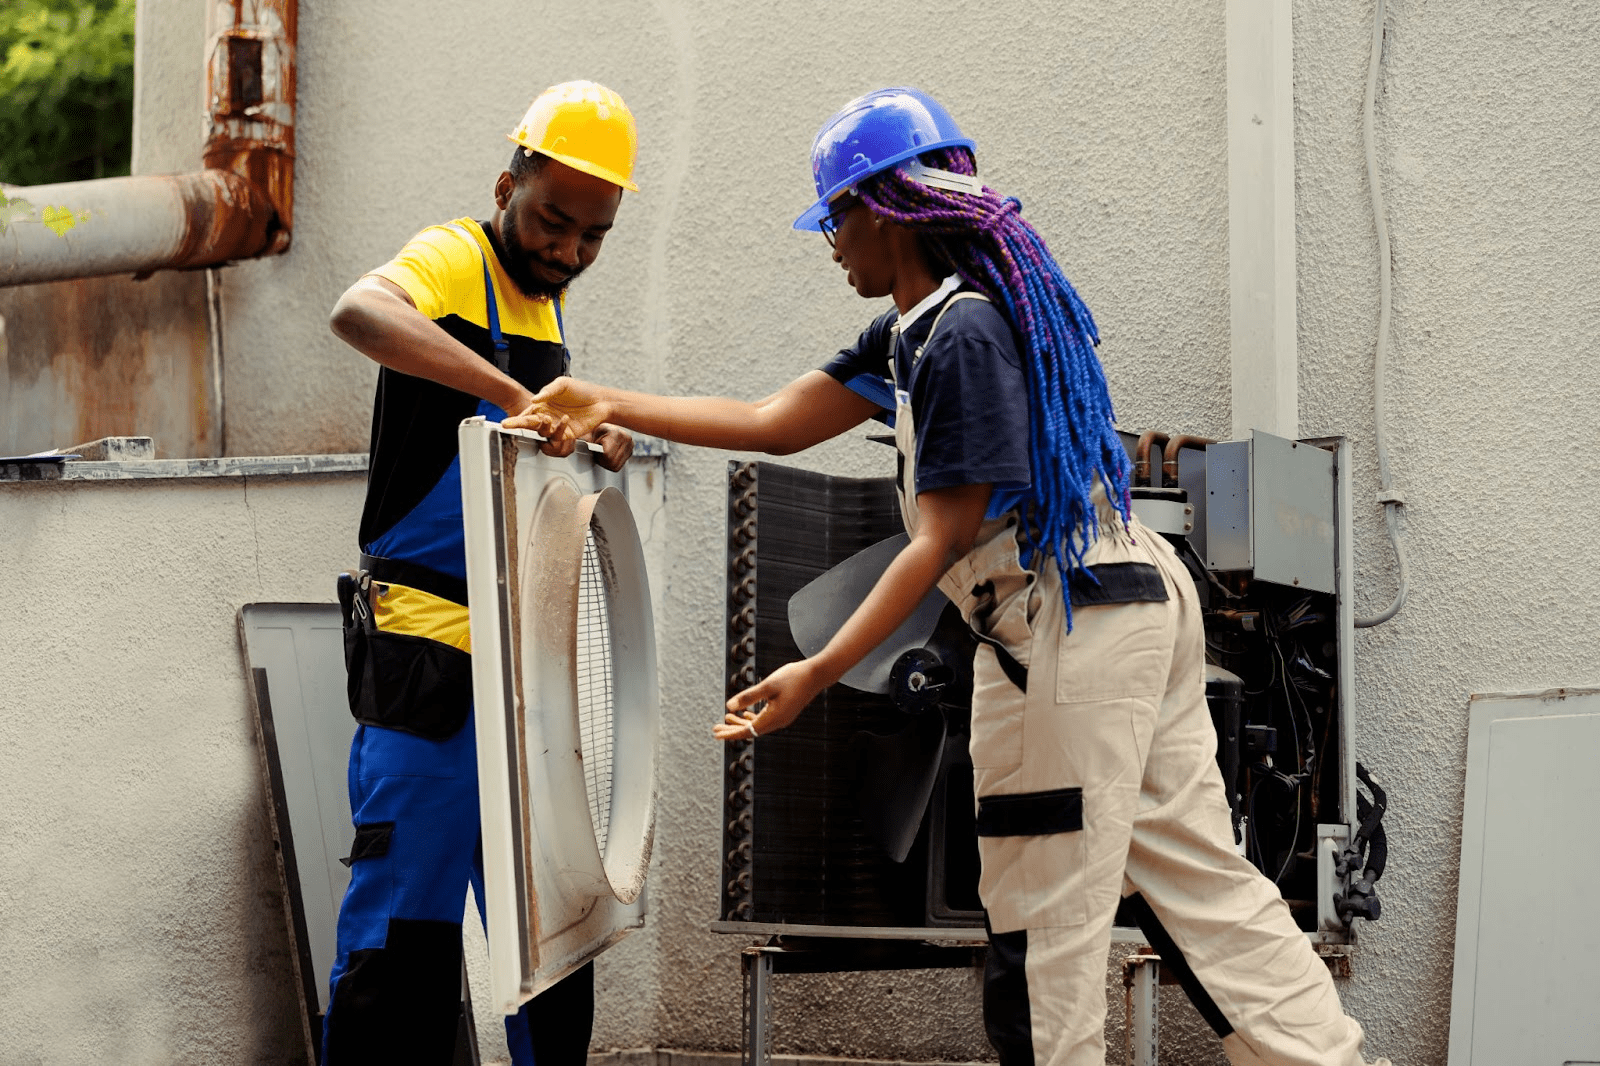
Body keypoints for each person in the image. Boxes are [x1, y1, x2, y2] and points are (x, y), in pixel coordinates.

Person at [512, 88, 1393, 1066]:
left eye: (836, 217)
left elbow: (938, 538)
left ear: (885, 209)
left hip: (1069, 617)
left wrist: (815, 672)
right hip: (1113, 605)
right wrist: (605, 399)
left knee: (1045, 923)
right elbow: (771, 419)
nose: (831, 242)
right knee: (1199, 881)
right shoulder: (914, 331)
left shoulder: (960, 334)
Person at [323, 80, 637, 1065]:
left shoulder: (541, 306)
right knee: (402, 946)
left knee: (552, 949)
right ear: (508, 182)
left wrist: (592, 444)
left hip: (523, 672)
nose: (567, 250)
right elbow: (358, 312)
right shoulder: (458, 257)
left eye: (592, 236)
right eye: (552, 220)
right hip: (428, 664)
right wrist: (515, 399)